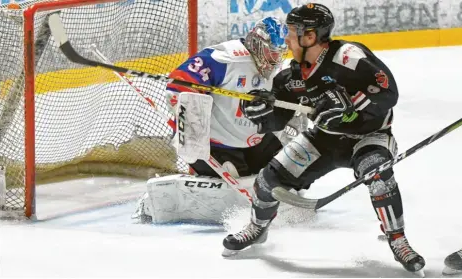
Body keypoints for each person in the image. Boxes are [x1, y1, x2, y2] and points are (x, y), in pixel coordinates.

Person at [221, 3, 425, 275]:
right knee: (267, 180)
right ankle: (257, 229)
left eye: (293, 32)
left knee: (378, 175)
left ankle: (398, 241)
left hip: (369, 136)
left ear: (311, 36)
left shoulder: (348, 56)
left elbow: (388, 92)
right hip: (323, 139)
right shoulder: (290, 77)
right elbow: (278, 120)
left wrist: (352, 106)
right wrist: (260, 114)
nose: (287, 38)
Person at [132, 17, 307, 224]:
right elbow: (177, 87)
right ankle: (150, 203)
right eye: (271, 52)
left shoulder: (278, 66)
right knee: (233, 178)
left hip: (256, 139)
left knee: (290, 164)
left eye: (279, 53)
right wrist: (192, 125)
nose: (275, 59)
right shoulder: (225, 58)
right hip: (216, 143)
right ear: (257, 43)